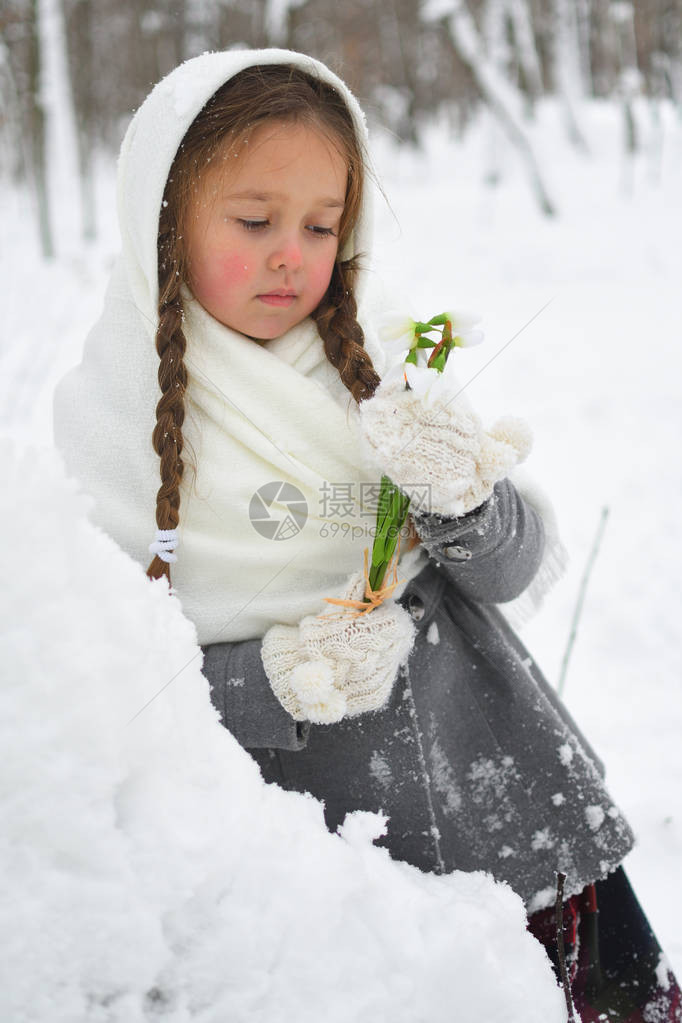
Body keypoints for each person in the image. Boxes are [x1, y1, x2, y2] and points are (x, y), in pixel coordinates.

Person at [53, 49, 680, 1020]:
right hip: (319, 853)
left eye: (320, 225)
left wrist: (463, 496)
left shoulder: (383, 357)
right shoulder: (109, 426)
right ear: (163, 221)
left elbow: (506, 572)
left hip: (498, 787)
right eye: (254, 221)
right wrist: (275, 681)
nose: (290, 255)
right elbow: (118, 697)